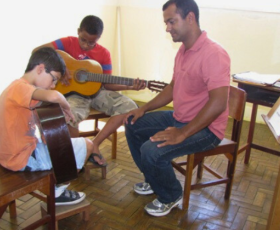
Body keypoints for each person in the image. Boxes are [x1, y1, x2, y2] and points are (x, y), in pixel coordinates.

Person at [123, 0, 231, 217]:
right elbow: (173, 87)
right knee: (132, 123)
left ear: (190, 18)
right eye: (166, 22)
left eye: (171, 21)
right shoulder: (183, 50)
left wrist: (183, 132)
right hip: (180, 117)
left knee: (150, 151)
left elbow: (219, 103)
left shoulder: (214, 54)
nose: (167, 28)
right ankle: (154, 180)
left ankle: (170, 194)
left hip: (206, 130)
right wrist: (143, 109)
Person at [33, 15, 146, 167]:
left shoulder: (103, 54)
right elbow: (37, 51)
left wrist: (131, 86)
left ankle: (94, 145)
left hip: (97, 92)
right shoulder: (67, 42)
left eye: (91, 42)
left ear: (98, 38)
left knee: (130, 107)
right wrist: (62, 66)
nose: (86, 45)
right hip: (72, 94)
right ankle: (73, 157)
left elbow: (107, 84)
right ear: (78, 31)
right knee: (69, 115)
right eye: (83, 40)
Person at [0, 47, 93, 206]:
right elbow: (55, 96)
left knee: (58, 144)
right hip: (21, 159)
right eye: (54, 79)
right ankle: (57, 192)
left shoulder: (17, 88)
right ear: (40, 69)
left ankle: (56, 185)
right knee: (87, 145)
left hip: (9, 155)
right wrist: (66, 107)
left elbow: (36, 115)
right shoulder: (20, 88)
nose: (53, 85)